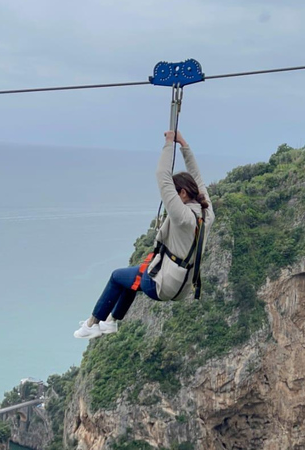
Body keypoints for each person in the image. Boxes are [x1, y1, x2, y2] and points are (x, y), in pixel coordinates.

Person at [74, 131, 215, 339]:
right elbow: (198, 177)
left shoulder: (182, 216)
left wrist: (169, 144)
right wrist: (183, 145)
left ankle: (92, 323)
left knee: (116, 276)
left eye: (175, 194)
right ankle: (110, 322)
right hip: (183, 285)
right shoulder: (207, 212)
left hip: (163, 285)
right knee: (135, 275)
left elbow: (162, 176)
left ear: (183, 193)